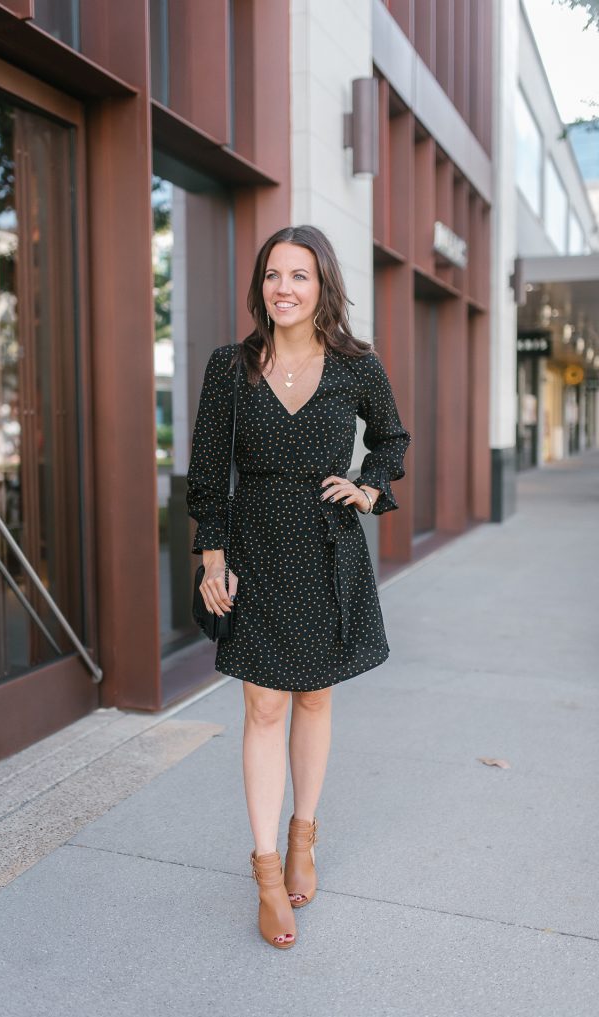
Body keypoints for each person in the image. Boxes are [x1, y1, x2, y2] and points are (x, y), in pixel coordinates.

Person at [186, 224, 411, 950]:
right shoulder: (231, 367)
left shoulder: (356, 366)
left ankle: (303, 839)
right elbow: (206, 470)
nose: (283, 287)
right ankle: (264, 872)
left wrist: (371, 489)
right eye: (273, 275)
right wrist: (211, 559)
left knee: (316, 695)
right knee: (262, 710)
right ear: (260, 287)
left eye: (300, 276)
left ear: (323, 287)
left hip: (327, 551)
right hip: (254, 550)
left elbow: (391, 439)